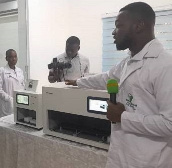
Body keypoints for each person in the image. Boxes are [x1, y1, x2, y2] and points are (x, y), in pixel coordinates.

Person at [66, 2, 172, 167]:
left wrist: (123, 117)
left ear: (139, 25)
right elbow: (107, 78)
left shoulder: (165, 65)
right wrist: (77, 82)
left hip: (148, 161)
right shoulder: (129, 61)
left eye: (119, 26)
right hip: (121, 155)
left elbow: (169, 124)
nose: (113, 32)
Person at [0, 49, 25, 118]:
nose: (14, 59)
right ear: (6, 58)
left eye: (15, 56)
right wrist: (9, 99)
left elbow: (23, 86)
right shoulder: (1, 71)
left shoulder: (20, 71)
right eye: (11, 57)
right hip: (6, 105)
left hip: (19, 102)